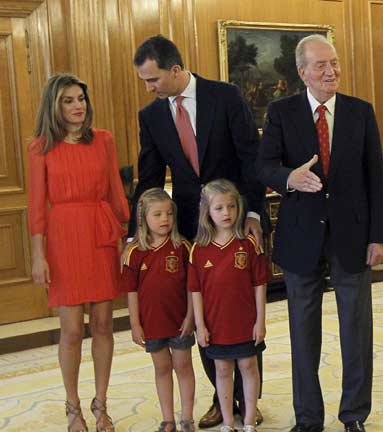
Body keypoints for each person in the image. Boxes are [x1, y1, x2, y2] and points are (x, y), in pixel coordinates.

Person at [131, 34, 266, 429]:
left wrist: (254, 214)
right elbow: (151, 176)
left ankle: (248, 399)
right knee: (206, 315)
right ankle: (221, 399)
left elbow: (250, 157)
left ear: (175, 70)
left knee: (242, 311)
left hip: (237, 222)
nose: (148, 88)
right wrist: (135, 233)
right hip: (193, 229)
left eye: (153, 79)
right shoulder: (152, 116)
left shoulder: (224, 97)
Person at [257, 34, 383, 432]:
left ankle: (354, 415)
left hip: (352, 236)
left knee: (356, 331)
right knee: (303, 333)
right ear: (302, 73)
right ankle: (309, 419)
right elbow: (263, 167)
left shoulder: (360, 112)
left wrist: (379, 236)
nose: (330, 72)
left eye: (334, 63)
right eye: (321, 66)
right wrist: (289, 178)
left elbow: (374, 177)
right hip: (301, 239)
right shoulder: (281, 112)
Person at [28, 73, 129, 432]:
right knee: (71, 330)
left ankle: (101, 404)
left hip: (100, 235)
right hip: (63, 240)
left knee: (103, 325)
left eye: (81, 99)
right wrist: (39, 256)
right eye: (69, 100)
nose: (77, 106)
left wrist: (126, 238)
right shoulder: (40, 147)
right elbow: (37, 206)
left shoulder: (103, 140)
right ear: (54, 106)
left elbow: (116, 192)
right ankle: (73, 407)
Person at [187, 179, 269, 432]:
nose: (226, 213)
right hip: (216, 324)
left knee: (247, 366)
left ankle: (248, 420)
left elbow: (259, 285)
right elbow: (195, 291)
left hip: (245, 322)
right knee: (223, 370)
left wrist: (260, 321)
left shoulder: (249, 244)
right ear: (207, 213)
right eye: (219, 208)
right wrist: (200, 326)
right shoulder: (198, 250)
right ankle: (227, 421)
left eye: (231, 207)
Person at [121, 188, 196, 432]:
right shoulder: (134, 253)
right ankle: (168, 419)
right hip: (152, 323)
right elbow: (131, 292)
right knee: (162, 368)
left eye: (168, 214)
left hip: (180, 322)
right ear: (143, 219)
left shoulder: (182, 246)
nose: (164, 219)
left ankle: (187, 417)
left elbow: (191, 286)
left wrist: (190, 316)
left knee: (183, 367)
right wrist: (135, 324)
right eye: (157, 214)